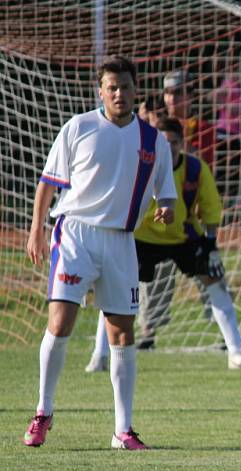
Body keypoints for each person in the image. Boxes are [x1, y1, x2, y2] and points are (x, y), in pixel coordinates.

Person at [24, 55, 176, 450]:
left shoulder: (153, 139)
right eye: (112, 87)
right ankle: (43, 412)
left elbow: (167, 191)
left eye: (125, 86)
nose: (119, 93)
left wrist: (166, 206)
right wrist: (37, 230)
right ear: (101, 91)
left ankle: (122, 431)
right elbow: (47, 183)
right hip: (75, 234)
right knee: (61, 322)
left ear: (135, 89)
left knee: (122, 332)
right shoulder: (79, 127)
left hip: (121, 242)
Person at [85, 116, 241, 370]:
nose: (169, 147)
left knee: (215, 281)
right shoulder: (140, 168)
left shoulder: (196, 169)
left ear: (182, 143)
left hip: (183, 236)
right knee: (116, 290)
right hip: (143, 237)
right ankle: (99, 356)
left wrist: (210, 245)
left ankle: (235, 353)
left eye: (174, 142)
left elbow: (211, 207)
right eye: (164, 142)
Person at [162, 69, 216, 165]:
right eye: (167, 92)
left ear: (190, 95)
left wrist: (174, 136)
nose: (172, 98)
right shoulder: (156, 125)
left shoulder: (203, 128)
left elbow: (201, 165)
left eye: (178, 92)